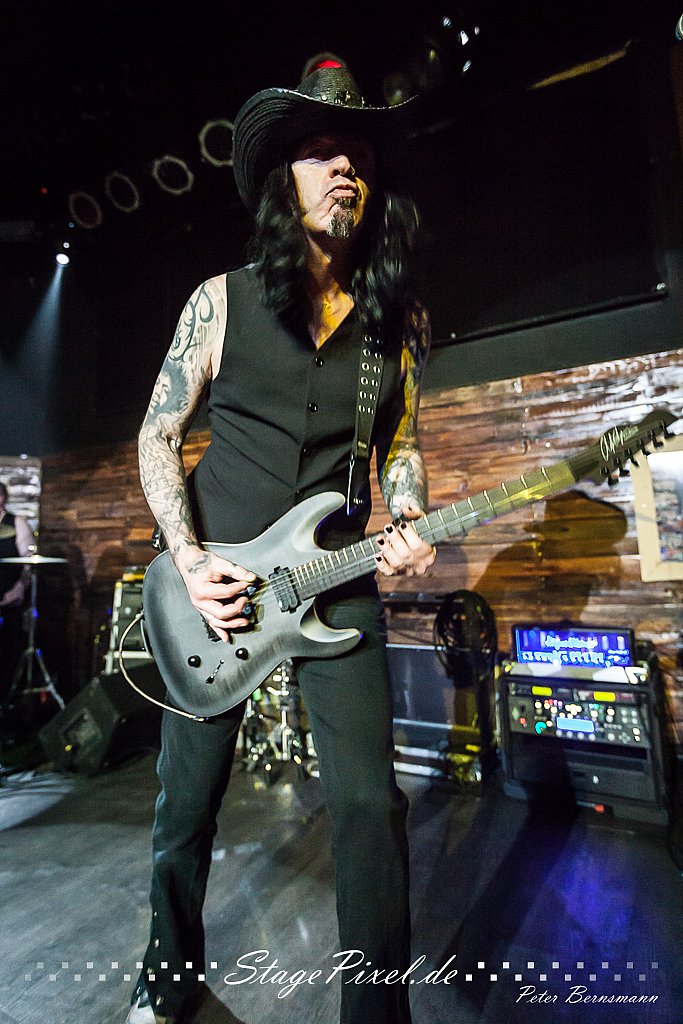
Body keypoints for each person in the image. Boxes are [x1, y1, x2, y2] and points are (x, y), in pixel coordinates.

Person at [127, 54, 435, 1024]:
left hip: (337, 578)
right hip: (216, 588)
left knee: (369, 807)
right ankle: (165, 980)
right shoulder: (219, 301)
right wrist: (188, 560)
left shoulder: (396, 324)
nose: (342, 166)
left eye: (355, 155)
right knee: (184, 808)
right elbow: (156, 435)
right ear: (280, 181)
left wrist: (410, 518)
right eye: (317, 152)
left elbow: (400, 446)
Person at [0, 481, 31, 702]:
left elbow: (30, 564)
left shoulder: (16, 523)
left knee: (6, 651)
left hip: (8, 599)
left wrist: (18, 589)